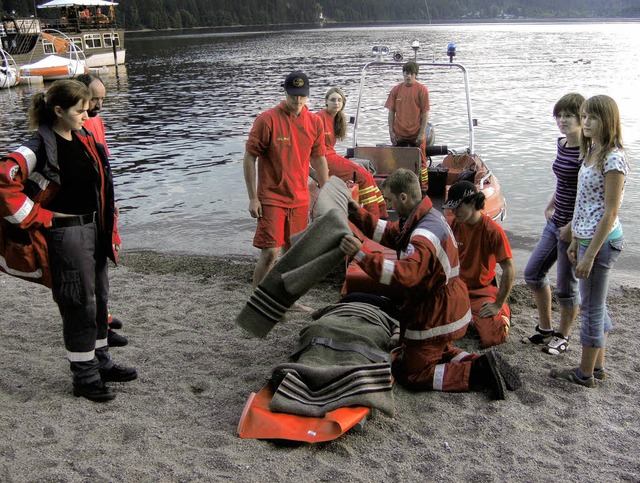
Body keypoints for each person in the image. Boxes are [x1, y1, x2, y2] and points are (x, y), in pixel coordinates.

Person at [0, 80, 137, 402]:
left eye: (87, 108)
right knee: (78, 303)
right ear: (58, 111)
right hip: (67, 235)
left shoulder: (84, 138)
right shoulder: (37, 147)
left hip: (94, 230)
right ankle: (85, 377)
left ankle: (101, 362)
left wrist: (110, 228)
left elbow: (100, 187)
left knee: (100, 299)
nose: (87, 114)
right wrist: (41, 216)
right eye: (80, 110)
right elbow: (4, 183)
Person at [340, 168, 520, 399]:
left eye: (390, 199)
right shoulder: (425, 217)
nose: (388, 204)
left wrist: (361, 256)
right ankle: (475, 360)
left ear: (403, 197)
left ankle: (477, 372)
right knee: (437, 351)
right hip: (447, 302)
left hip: (436, 311)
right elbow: (390, 232)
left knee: (414, 373)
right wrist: (356, 213)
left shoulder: (424, 233)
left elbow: (405, 275)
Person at [551, 95, 628, 387]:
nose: (586, 123)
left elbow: (609, 213)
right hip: (585, 237)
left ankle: (584, 373)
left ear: (607, 121)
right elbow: (584, 203)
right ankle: (596, 367)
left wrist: (589, 255)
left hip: (603, 242)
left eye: (592, 118)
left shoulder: (613, 158)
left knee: (592, 308)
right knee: (597, 304)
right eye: (584, 117)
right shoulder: (592, 151)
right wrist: (573, 239)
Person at [242, 71, 329, 298]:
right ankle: (258, 299)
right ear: (285, 93)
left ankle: (284, 300)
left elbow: (319, 158)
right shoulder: (267, 119)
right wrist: (253, 197)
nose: (297, 101)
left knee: (292, 255)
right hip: (271, 197)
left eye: (301, 96)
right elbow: (249, 157)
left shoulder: (315, 122)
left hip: (300, 199)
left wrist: (326, 189)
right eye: (293, 96)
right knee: (270, 253)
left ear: (307, 96)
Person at [522, 93, 585, 355]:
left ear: (583, 118)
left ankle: (564, 335)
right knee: (533, 273)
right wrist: (550, 205)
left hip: (573, 229)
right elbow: (564, 182)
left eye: (568, 115)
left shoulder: (589, 152)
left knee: (567, 287)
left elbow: (589, 194)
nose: (562, 120)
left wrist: (571, 225)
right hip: (555, 222)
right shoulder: (562, 144)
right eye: (559, 115)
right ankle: (546, 329)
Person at [77, 73, 128, 348]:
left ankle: (104, 319)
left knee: (103, 269)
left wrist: (112, 201)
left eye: (101, 99)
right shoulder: (74, 126)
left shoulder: (96, 121)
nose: (98, 104)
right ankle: (100, 328)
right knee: (94, 275)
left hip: (102, 203)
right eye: (94, 99)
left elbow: (103, 163)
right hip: (86, 213)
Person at [444, 180, 514, 348]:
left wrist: (497, 304)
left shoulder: (492, 230)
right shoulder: (452, 225)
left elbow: (509, 269)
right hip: (454, 289)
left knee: (493, 338)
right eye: (451, 208)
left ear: (473, 203)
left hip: (481, 291)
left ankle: (504, 310)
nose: (453, 212)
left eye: (458, 207)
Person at [317, 87, 387, 218]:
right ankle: (373, 218)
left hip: (332, 156)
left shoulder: (337, 118)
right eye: (333, 100)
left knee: (368, 176)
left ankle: (382, 213)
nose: (336, 103)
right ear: (326, 102)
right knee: (363, 177)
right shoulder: (319, 118)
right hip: (323, 159)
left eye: (339, 100)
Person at [385, 61, 430, 191]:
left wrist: (422, 133)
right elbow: (391, 112)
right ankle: (400, 188)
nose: (408, 76)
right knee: (399, 162)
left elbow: (425, 113)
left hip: (416, 134)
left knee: (421, 162)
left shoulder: (422, 90)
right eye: (406, 73)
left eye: (411, 73)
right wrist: (391, 132)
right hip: (399, 133)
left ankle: (424, 189)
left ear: (415, 74)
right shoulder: (396, 90)